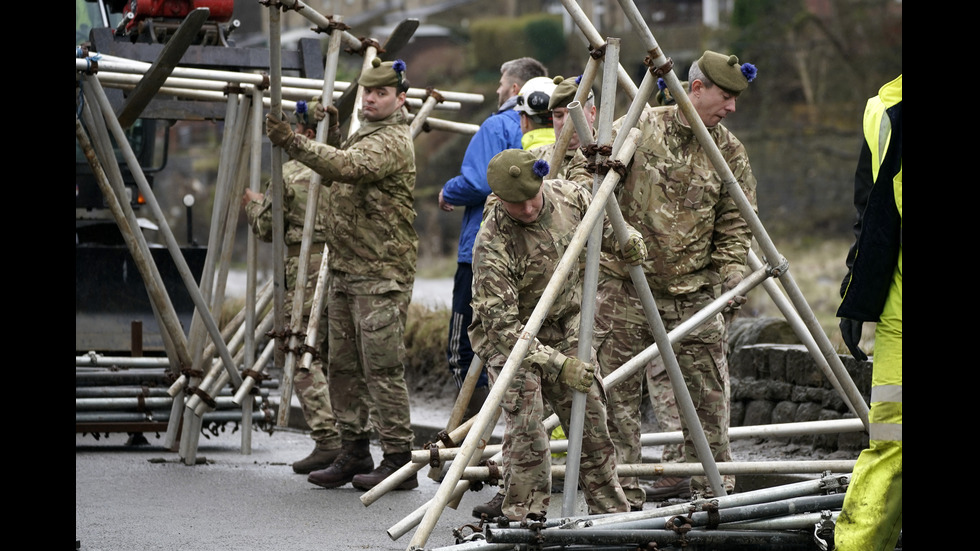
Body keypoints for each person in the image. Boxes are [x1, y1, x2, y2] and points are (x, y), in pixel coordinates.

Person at [594, 51, 759, 507]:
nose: (731, 108)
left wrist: (729, 274)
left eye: (736, 100)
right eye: (725, 96)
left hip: (694, 294)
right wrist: (616, 237)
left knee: (709, 399)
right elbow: (590, 185)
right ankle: (619, 499)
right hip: (625, 287)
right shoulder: (641, 127)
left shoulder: (730, 153)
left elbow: (736, 225)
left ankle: (713, 494)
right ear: (697, 88)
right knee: (617, 398)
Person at [468, 148, 647, 521]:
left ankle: (610, 514)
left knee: (592, 419)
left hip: (566, 325)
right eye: (517, 205)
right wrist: (557, 364)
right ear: (500, 200)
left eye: (532, 198)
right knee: (527, 427)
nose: (529, 210)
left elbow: (607, 225)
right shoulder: (491, 242)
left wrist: (628, 237)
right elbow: (500, 326)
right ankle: (525, 516)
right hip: (512, 339)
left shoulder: (569, 195)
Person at [265, 57, 419, 491]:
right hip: (347, 268)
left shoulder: (392, 138)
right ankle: (353, 450)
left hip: (381, 273)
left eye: (380, 93)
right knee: (342, 366)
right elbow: (345, 160)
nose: (369, 99)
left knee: (382, 368)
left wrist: (295, 143)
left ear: (399, 99)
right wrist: (332, 135)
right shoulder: (365, 131)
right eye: (366, 92)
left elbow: (349, 168)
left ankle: (398, 459)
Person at [438, 57, 548, 420]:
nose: (498, 89)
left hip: (482, 253)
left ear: (515, 90)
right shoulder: (559, 131)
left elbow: (481, 182)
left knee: (465, 349)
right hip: (538, 256)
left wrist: (447, 192)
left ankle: (466, 448)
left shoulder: (497, 125)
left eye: (502, 82)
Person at [243, 101, 342, 474]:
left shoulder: (289, 172)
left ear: (300, 132)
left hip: (305, 265)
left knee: (300, 349)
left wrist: (253, 206)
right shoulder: (341, 167)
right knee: (336, 355)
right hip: (342, 266)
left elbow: (269, 227)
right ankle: (350, 439)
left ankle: (328, 438)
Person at [833, 74, 902, 551]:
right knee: (890, 433)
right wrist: (858, 289)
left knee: (890, 438)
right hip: (899, 303)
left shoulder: (884, 107)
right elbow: (875, 210)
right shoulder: (882, 108)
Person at [531, 74, 595, 184]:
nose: (565, 122)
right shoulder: (534, 159)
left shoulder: (609, 155)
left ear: (592, 114)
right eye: (558, 115)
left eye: (573, 114)